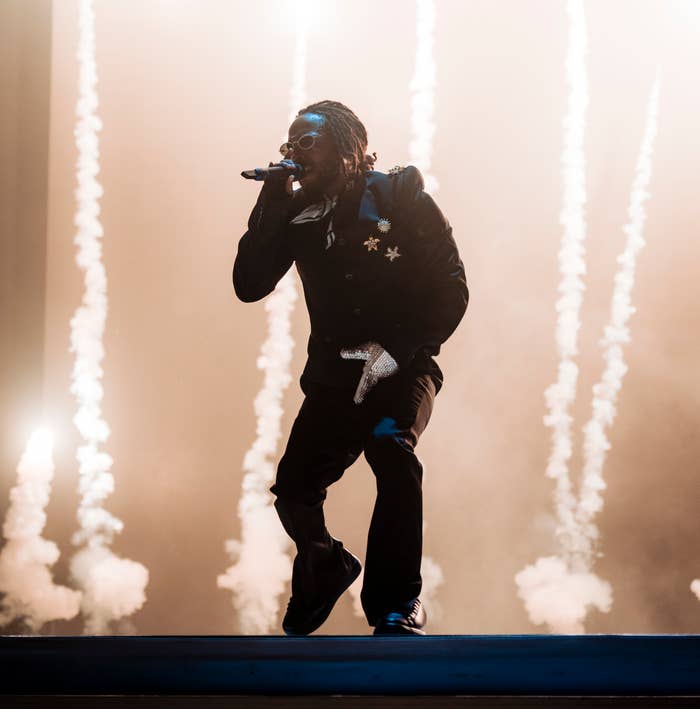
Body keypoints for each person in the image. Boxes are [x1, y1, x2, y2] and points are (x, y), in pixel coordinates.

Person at [233, 100, 468, 636]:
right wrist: (272, 199)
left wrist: (394, 351)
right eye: (288, 144)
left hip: (401, 364)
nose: (293, 151)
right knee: (293, 491)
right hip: (337, 378)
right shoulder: (296, 215)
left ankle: (395, 602)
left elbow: (451, 287)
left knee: (390, 448)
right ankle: (324, 562)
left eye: (306, 141)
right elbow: (249, 284)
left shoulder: (399, 193)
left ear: (348, 146)